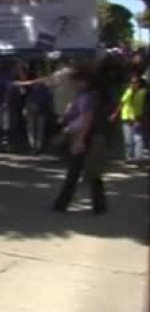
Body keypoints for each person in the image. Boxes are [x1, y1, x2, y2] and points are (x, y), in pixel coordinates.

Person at [53, 69, 108, 214]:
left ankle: (62, 203)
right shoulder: (91, 95)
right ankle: (99, 205)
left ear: (85, 82)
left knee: (76, 172)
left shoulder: (87, 97)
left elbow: (86, 119)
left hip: (84, 137)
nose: (74, 83)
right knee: (91, 172)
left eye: (76, 81)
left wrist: (77, 138)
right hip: (89, 137)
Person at [110, 73, 147, 162]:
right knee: (128, 139)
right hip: (126, 117)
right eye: (131, 82)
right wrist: (115, 114)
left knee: (138, 138)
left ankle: (138, 157)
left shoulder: (143, 93)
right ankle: (129, 156)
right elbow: (122, 103)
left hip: (137, 117)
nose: (133, 84)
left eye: (135, 82)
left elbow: (146, 106)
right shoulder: (128, 91)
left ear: (139, 83)